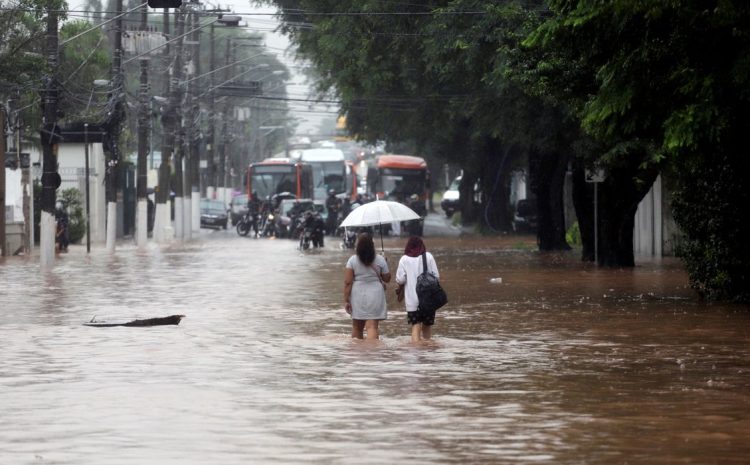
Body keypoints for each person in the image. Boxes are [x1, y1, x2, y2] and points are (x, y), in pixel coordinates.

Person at [343, 232, 391, 340]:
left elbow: (347, 282)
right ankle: (372, 353)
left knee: (357, 327)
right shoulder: (380, 259)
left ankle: (357, 353)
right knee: (372, 327)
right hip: (375, 294)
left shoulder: (352, 260)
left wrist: (346, 300)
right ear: (372, 244)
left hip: (357, 294)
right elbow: (387, 279)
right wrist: (385, 263)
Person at [395, 236, 440, 342]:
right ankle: (426, 353)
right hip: (428, 300)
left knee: (415, 326)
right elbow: (437, 277)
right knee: (427, 327)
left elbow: (400, 279)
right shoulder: (428, 257)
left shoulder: (404, 259)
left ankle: (416, 353)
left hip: (412, 301)